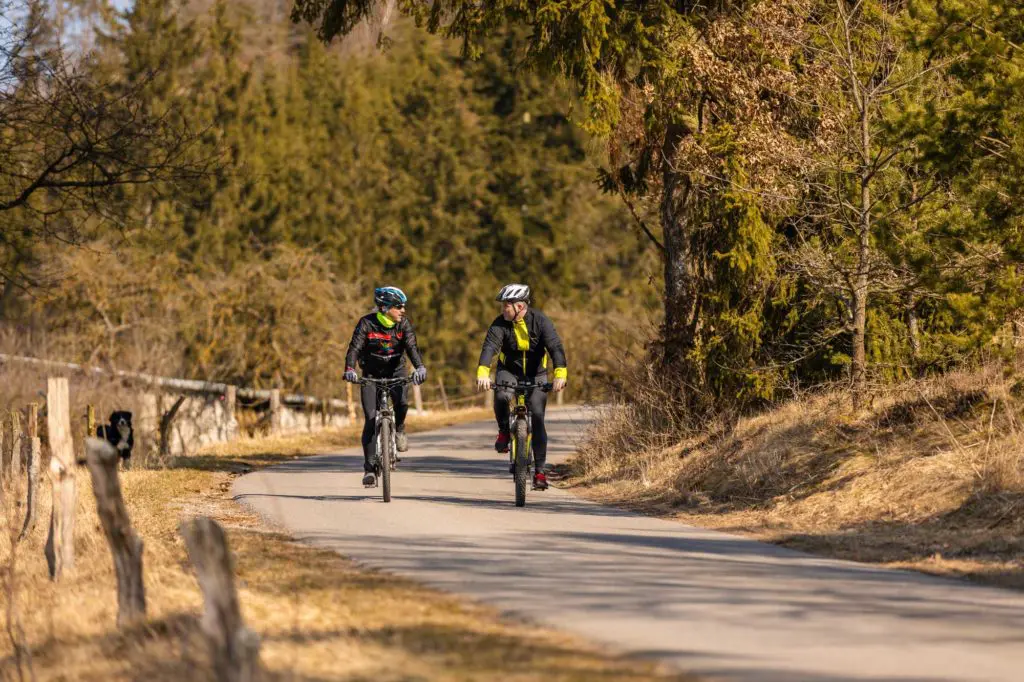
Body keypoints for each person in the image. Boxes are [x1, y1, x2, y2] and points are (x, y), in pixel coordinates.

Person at [475, 283, 566, 490]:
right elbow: (489, 348)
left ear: (519, 306)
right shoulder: (500, 324)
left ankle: (540, 473)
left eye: (506, 305)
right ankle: (504, 431)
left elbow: (556, 349)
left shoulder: (541, 322)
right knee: (501, 396)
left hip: (537, 374)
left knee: (538, 415)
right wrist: (483, 372)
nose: (502, 309)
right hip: (509, 371)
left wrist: (560, 374)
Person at [344, 286, 428, 487]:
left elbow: (412, 348)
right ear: (384, 307)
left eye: (403, 306)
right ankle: (369, 469)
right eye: (398, 306)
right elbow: (354, 348)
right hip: (371, 376)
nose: (403, 310)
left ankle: (399, 429)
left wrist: (420, 367)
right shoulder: (366, 324)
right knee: (371, 420)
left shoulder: (404, 325)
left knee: (401, 404)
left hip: (396, 372)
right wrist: (349, 368)